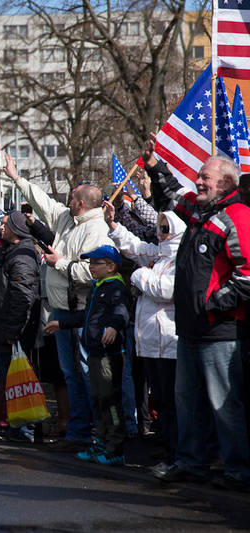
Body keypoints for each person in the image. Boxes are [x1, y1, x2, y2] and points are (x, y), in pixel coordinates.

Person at [143, 135, 250, 490]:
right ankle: (191, 463)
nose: (198, 182)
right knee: (187, 402)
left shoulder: (237, 217)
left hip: (220, 331)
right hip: (189, 331)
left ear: (226, 184)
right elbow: (172, 197)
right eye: (199, 176)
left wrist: (213, 307)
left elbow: (247, 275)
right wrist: (155, 166)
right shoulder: (201, 213)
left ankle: (237, 471)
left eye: (205, 177)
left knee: (225, 405)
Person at [0, 152, 113, 451]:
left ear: (82, 203)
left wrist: (60, 263)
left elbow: (92, 273)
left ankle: (96, 434)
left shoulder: (96, 230)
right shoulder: (67, 218)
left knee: (87, 375)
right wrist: (17, 178)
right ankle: (77, 433)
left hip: (82, 313)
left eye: (73, 196)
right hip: (62, 312)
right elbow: (44, 202)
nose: (68, 199)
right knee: (70, 375)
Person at [104, 201, 185, 471]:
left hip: (169, 343)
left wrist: (139, 276)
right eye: (160, 227)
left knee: (171, 401)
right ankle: (164, 447)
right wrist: (114, 225)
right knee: (160, 400)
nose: (160, 232)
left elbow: (165, 290)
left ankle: (176, 452)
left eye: (165, 228)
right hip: (150, 343)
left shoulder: (179, 258)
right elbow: (135, 247)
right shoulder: (159, 255)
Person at [45, 245, 130, 465]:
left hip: (107, 355)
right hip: (94, 352)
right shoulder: (97, 286)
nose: (91, 267)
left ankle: (115, 448)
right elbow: (87, 316)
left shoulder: (115, 287)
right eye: (90, 263)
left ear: (111, 266)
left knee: (110, 402)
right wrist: (62, 323)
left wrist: (113, 326)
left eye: (96, 263)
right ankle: (101, 443)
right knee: (98, 400)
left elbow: (122, 311)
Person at [0, 210, 41, 437]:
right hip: (0, 328)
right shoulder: (10, 251)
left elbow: (23, 298)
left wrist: (13, 331)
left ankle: (19, 427)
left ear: (18, 228)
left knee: (11, 381)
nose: (1, 228)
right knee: (1, 378)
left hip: (10, 332)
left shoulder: (22, 256)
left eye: (6, 224)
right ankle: (4, 423)